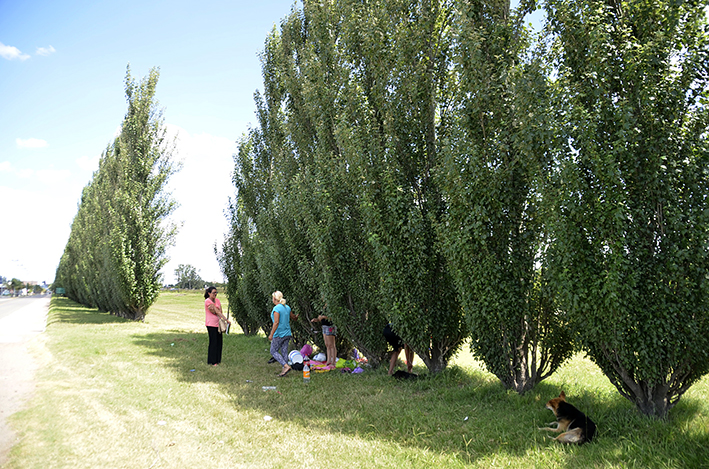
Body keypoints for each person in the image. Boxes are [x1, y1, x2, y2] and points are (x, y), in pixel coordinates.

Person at [268, 291, 298, 377]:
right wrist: (297, 316)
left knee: (273, 351)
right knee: (284, 351)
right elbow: (293, 318)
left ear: (274, 299)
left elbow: (276, 322)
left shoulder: (276, 309)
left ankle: (285, 366)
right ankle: (284, 371)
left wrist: (271, 334)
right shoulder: (287, 307)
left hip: (279, 334)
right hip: (287, 333)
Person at [204, 286, 230, 366]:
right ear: (209, 293)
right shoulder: (207, 301)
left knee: (219, 342)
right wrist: (226, 320)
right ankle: (212, 361)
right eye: (213, 292)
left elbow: (220, 311)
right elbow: (216, 311)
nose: (215, 294)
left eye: (216, 292)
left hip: (218, 324)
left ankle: (218, 360)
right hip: (211, 324)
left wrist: (222, 318)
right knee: (213, 342)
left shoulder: (217, 300)